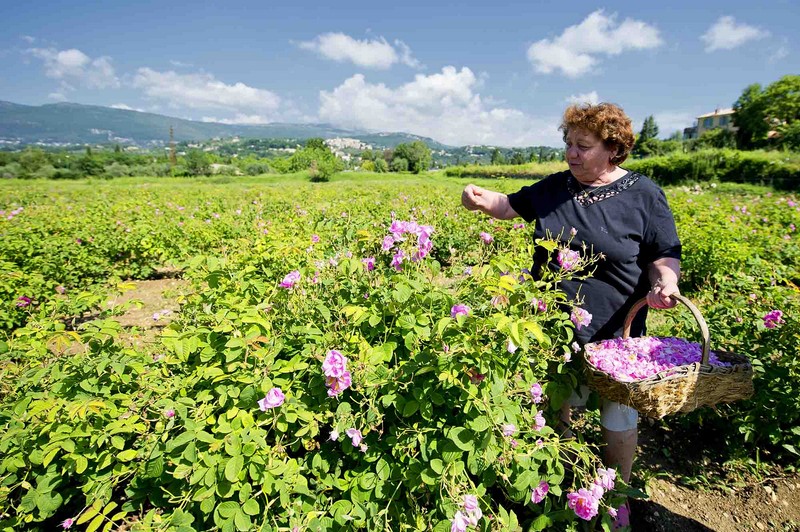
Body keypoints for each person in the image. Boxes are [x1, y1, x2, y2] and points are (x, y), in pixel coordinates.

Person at [461, 102, 681, 527]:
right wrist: (477, 198)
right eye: (568, 143)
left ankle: (617, 497)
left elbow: (664, 253)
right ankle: (556, 481)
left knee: (617, 416)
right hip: (550, 327)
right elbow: (507, 205)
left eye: (583, 145)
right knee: (554, 405)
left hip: (616, 333)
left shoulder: (643, 194)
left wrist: (666, 281)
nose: (571, 153)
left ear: (613, 148)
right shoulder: (555, 188)